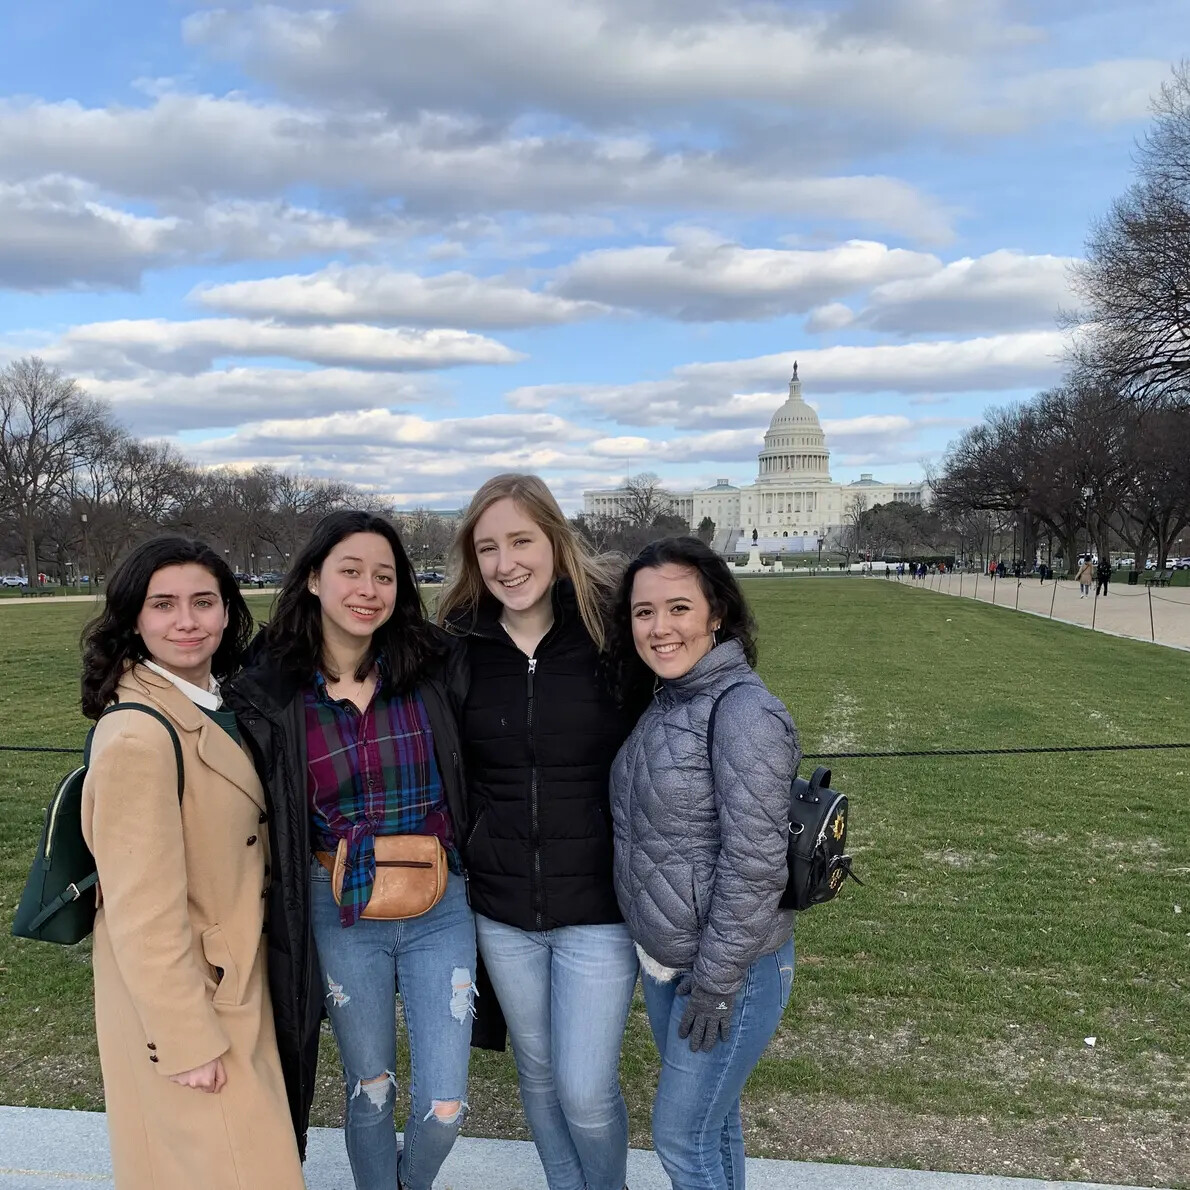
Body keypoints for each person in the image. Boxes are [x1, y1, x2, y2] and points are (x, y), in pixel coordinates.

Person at [225, 511, 474, 1190]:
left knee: (444, 1106)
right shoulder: (271, 691)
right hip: (334, 901)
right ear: (312, 579)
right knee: (370, 1085)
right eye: (351, 571)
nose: (369, 588)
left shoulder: (434, 668)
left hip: (439, 902)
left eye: (384, 575)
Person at [79, 536, 304, 1189]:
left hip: (231, 987)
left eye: (204, 602)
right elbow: (140, 911)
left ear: (227, 613)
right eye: (164, 605)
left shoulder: (208, 703)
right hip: (194, 1008)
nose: (187, 621)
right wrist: (184, 1039)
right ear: (135, 619)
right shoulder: (140, 735)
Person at [438, 473, 639, 1190]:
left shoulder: (613, 635)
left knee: (585, 1091)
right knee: (540, 1077)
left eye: (521, 540)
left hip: (599, 907)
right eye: (487, 547)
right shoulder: (458, 645)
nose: (506, 562)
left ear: (556, 541)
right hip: (501, 907)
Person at [609, 537, 799, 1190]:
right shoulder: (669, 698)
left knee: (681, 1139)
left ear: (715, 612)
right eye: (643, 612)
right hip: (672, 965)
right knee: (715, 1127)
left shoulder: (743, 711)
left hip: (726, 974)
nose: (660, 628)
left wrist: (715, 984)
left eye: (679, 608)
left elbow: (754, 866)